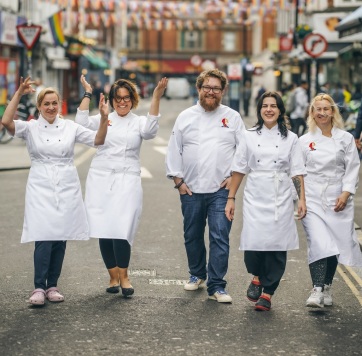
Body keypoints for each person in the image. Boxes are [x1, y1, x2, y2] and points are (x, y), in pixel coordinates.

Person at [1, 76, 109, 306]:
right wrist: (19, 93)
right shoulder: (30, 128)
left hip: (67, 183)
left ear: (59, 105)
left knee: (60, 236)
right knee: (44, 235)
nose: (50, 107)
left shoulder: (70, 127)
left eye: (54, 103)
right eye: (46, 103)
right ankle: (39, 287)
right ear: (39, 106)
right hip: (40, 183)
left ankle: (52, 286)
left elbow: (98, 140)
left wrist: (104, 118)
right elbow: (6, 121)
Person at [75, 76, 168, 297]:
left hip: (128, 180)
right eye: (118, 99)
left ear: (132, 99)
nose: (122, 102)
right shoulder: (105, 117)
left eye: (126, 98)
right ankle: (113, 275)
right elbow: (80, 121)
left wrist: (156, 96)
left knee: (122, 228)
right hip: (101, 177)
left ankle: (124, 276)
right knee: (104, 228)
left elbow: (151, 130)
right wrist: (88, 93)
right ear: (112, 100)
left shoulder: (138, 122)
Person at [165, 69, 245, 303]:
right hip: (190, 188)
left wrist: (233, 178)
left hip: (221, 190)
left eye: (216, 89)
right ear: (199, 89)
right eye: (207, 87)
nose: (211, 92)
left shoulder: (232, 117)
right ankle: (197, 274)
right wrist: (178, 181)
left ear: (223, 92)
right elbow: (174, 149)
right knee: (192, 235)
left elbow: (244, 151)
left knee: (220, 236)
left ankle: (217, 286)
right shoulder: (186, 116)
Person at [225, 91, 307, 311]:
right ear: (259, 110)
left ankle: (268, 292)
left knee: (277, 245)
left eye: (273, 106)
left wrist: (301, 200)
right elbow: (239, 168)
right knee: (253, 242)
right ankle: (257, 275)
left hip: (280, 194)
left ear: (280, 110)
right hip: (256, 192)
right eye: (264, 106)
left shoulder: (291, 138)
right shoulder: (248, 135)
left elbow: (297, 172)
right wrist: (231, 198)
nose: (269, 109)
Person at [299, 93, 362, 308]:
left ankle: (326, 286)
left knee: (333, 244)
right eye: (318, 109)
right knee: (318, 241)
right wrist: (301, 199)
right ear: (312, 113)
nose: (322, 113)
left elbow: (353, 167)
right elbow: (298, 172)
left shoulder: (345, 138)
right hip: (313, 197)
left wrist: (346, 193)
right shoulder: (304, 141)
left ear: (333, 112)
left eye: (327, 109)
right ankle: (316, 290)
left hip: (338, 197)